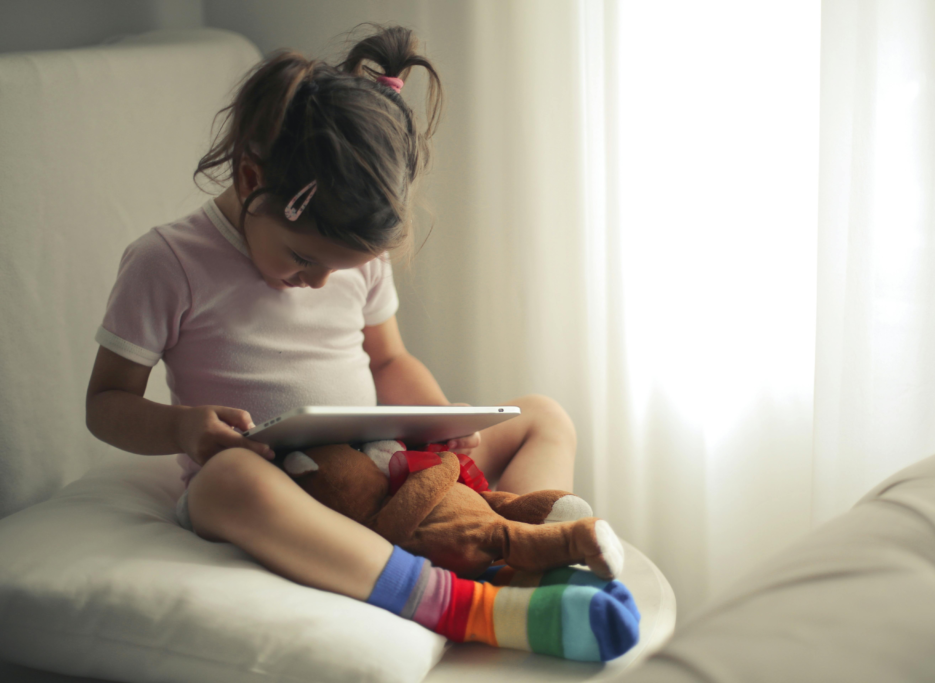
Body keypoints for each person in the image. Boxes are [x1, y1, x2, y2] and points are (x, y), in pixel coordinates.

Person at [84, 25, 638, 662]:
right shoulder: (168, 263)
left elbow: (388, 359)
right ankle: (462, 602)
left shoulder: (350, 256)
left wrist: (444, 426)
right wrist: (184, 430)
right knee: (224, 481)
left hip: (388, 465)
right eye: (302, 259)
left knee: (544, 415)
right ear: (248, 177)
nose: (318, 282)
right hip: (282, 483)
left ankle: (515, 541)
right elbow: (105, 403)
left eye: (339, 269)